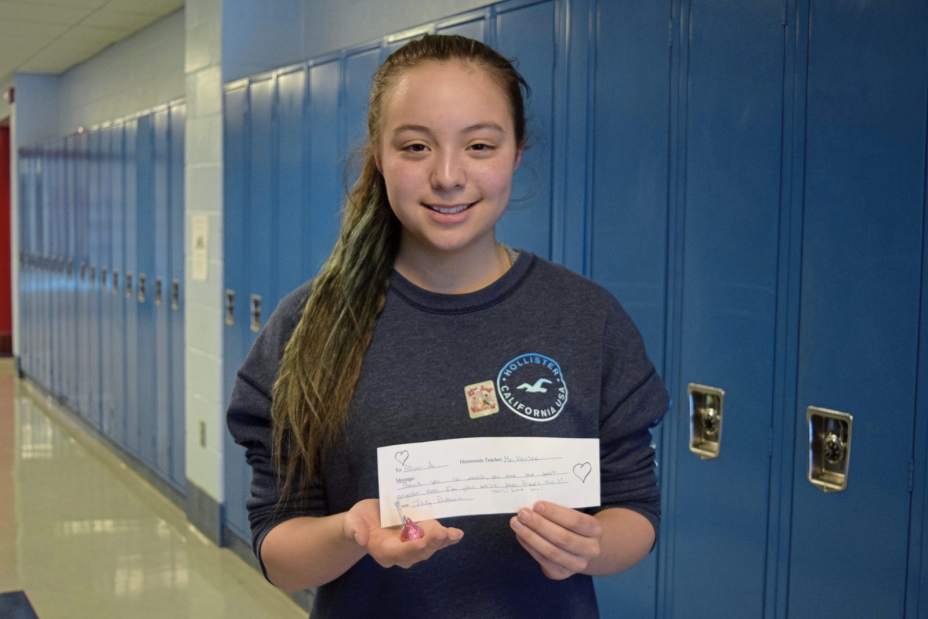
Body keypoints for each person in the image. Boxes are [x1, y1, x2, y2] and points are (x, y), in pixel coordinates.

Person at [226, 33, 669, 618]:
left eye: (480, 145)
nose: (448, 175)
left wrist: (592, 546)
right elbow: (279, 550)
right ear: (379, 157)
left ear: (517, 152)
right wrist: (351, 533)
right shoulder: (309, 329)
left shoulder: (588, 319)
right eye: (415, 147)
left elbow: (634, 508)